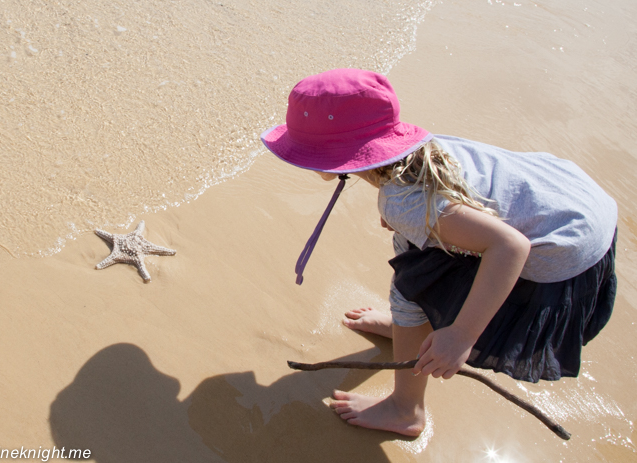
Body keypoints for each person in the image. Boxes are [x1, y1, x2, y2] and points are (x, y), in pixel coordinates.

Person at [260, 68, 618, 437]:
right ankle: (405, 329)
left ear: (331, 157)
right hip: (581, 203)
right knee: (411, 243)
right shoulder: (422, 152)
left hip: (563, 248)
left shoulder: (403, 201)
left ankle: (405, 409)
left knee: (411, 279)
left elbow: (512, 246)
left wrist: (460, 335)